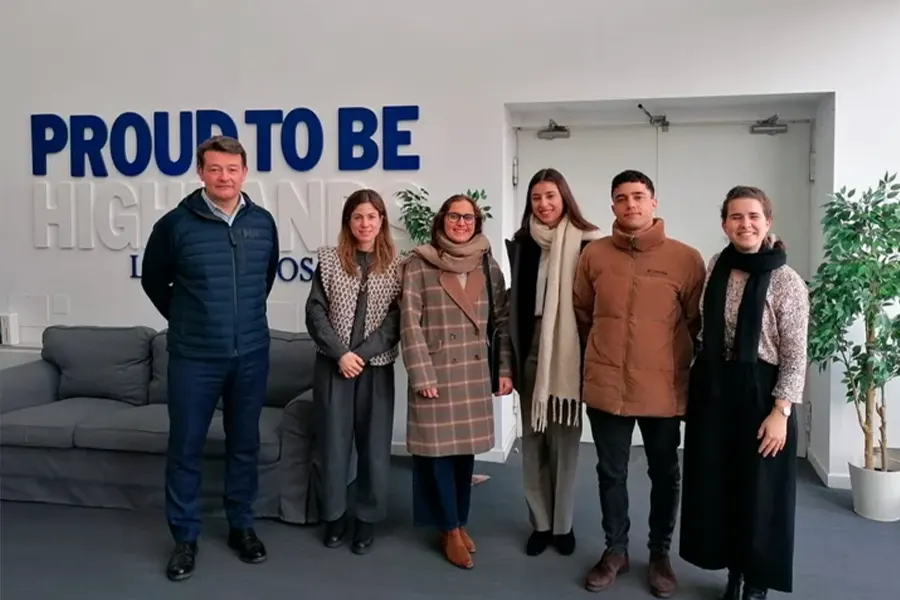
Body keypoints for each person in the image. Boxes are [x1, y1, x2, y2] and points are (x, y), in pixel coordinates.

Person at [140, 135, 280, 581]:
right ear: (200, 172)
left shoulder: (263, 223)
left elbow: (265, 279)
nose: (225, 177)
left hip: (251, 354)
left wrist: (241, 325)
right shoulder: (175, 225)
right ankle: (184, 537)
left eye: (232, 169)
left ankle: (242, 526)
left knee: (244, 445)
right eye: (215, 169)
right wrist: (189, 320)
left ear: (244, 171)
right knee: (185, 448)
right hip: (193, 358)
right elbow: (153, 281)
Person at [573, 170, 706, 597]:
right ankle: (615, 550)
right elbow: (582, 314)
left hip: (662, 390)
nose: (630, 205)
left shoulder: (686, 259)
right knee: (609, 472)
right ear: (612, 206)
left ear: (654, 202)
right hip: (606, 385)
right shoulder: (593, 255)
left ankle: (660, 553)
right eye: (621, 198)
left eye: (638, 197)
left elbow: (693, 322)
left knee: (665, 474)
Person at [679, 186, 809, 600]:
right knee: (720, 484)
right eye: (736, 217)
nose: (745, 224)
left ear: (768, 222)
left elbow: (795, 353)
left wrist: (781, 411)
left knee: (761, 492)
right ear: (724, 224)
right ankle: (732, 569)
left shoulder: (786, 281)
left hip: (763, 394)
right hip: (717, 389)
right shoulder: (717, 265)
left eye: (753, 216)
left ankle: (756, 579)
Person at [399, 194, 513, 570]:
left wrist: (503, 369)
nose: (461, 223)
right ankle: (448, 528)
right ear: (441, 220)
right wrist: (422, 374)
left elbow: (501, 322)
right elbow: (408, 324)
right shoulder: (419, 263)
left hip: (473, 373)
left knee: (465, 455)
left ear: (477, 222)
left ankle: (459, 521)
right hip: (437, 373)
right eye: (454, 216)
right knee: (436, 457)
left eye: (468, 217)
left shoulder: (487, 262)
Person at [505, 168, 601, 557]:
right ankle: (540, 524)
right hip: (529, 346)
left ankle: (563, 526)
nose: (543, 204)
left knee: (563, 442)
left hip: (568, 351)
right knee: (532, 439)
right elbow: (511, 306)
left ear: (565, 198)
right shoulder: (523, 244)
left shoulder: (590, 243)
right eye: (536, 198)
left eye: (550, 196)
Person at [304, 189, 403, 555]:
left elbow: (396, 320)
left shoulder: (397, 264)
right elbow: (315, 312)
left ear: (381, 222)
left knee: (374, 448)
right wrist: (341, 354)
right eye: (358, 217)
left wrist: (360, 354)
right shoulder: (329, 260)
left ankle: (367, 520)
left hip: (375, 369)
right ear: (349, 221)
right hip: (333, 367)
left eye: (372, 217)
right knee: (332, 445)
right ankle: (334, 517)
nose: (365, 224)